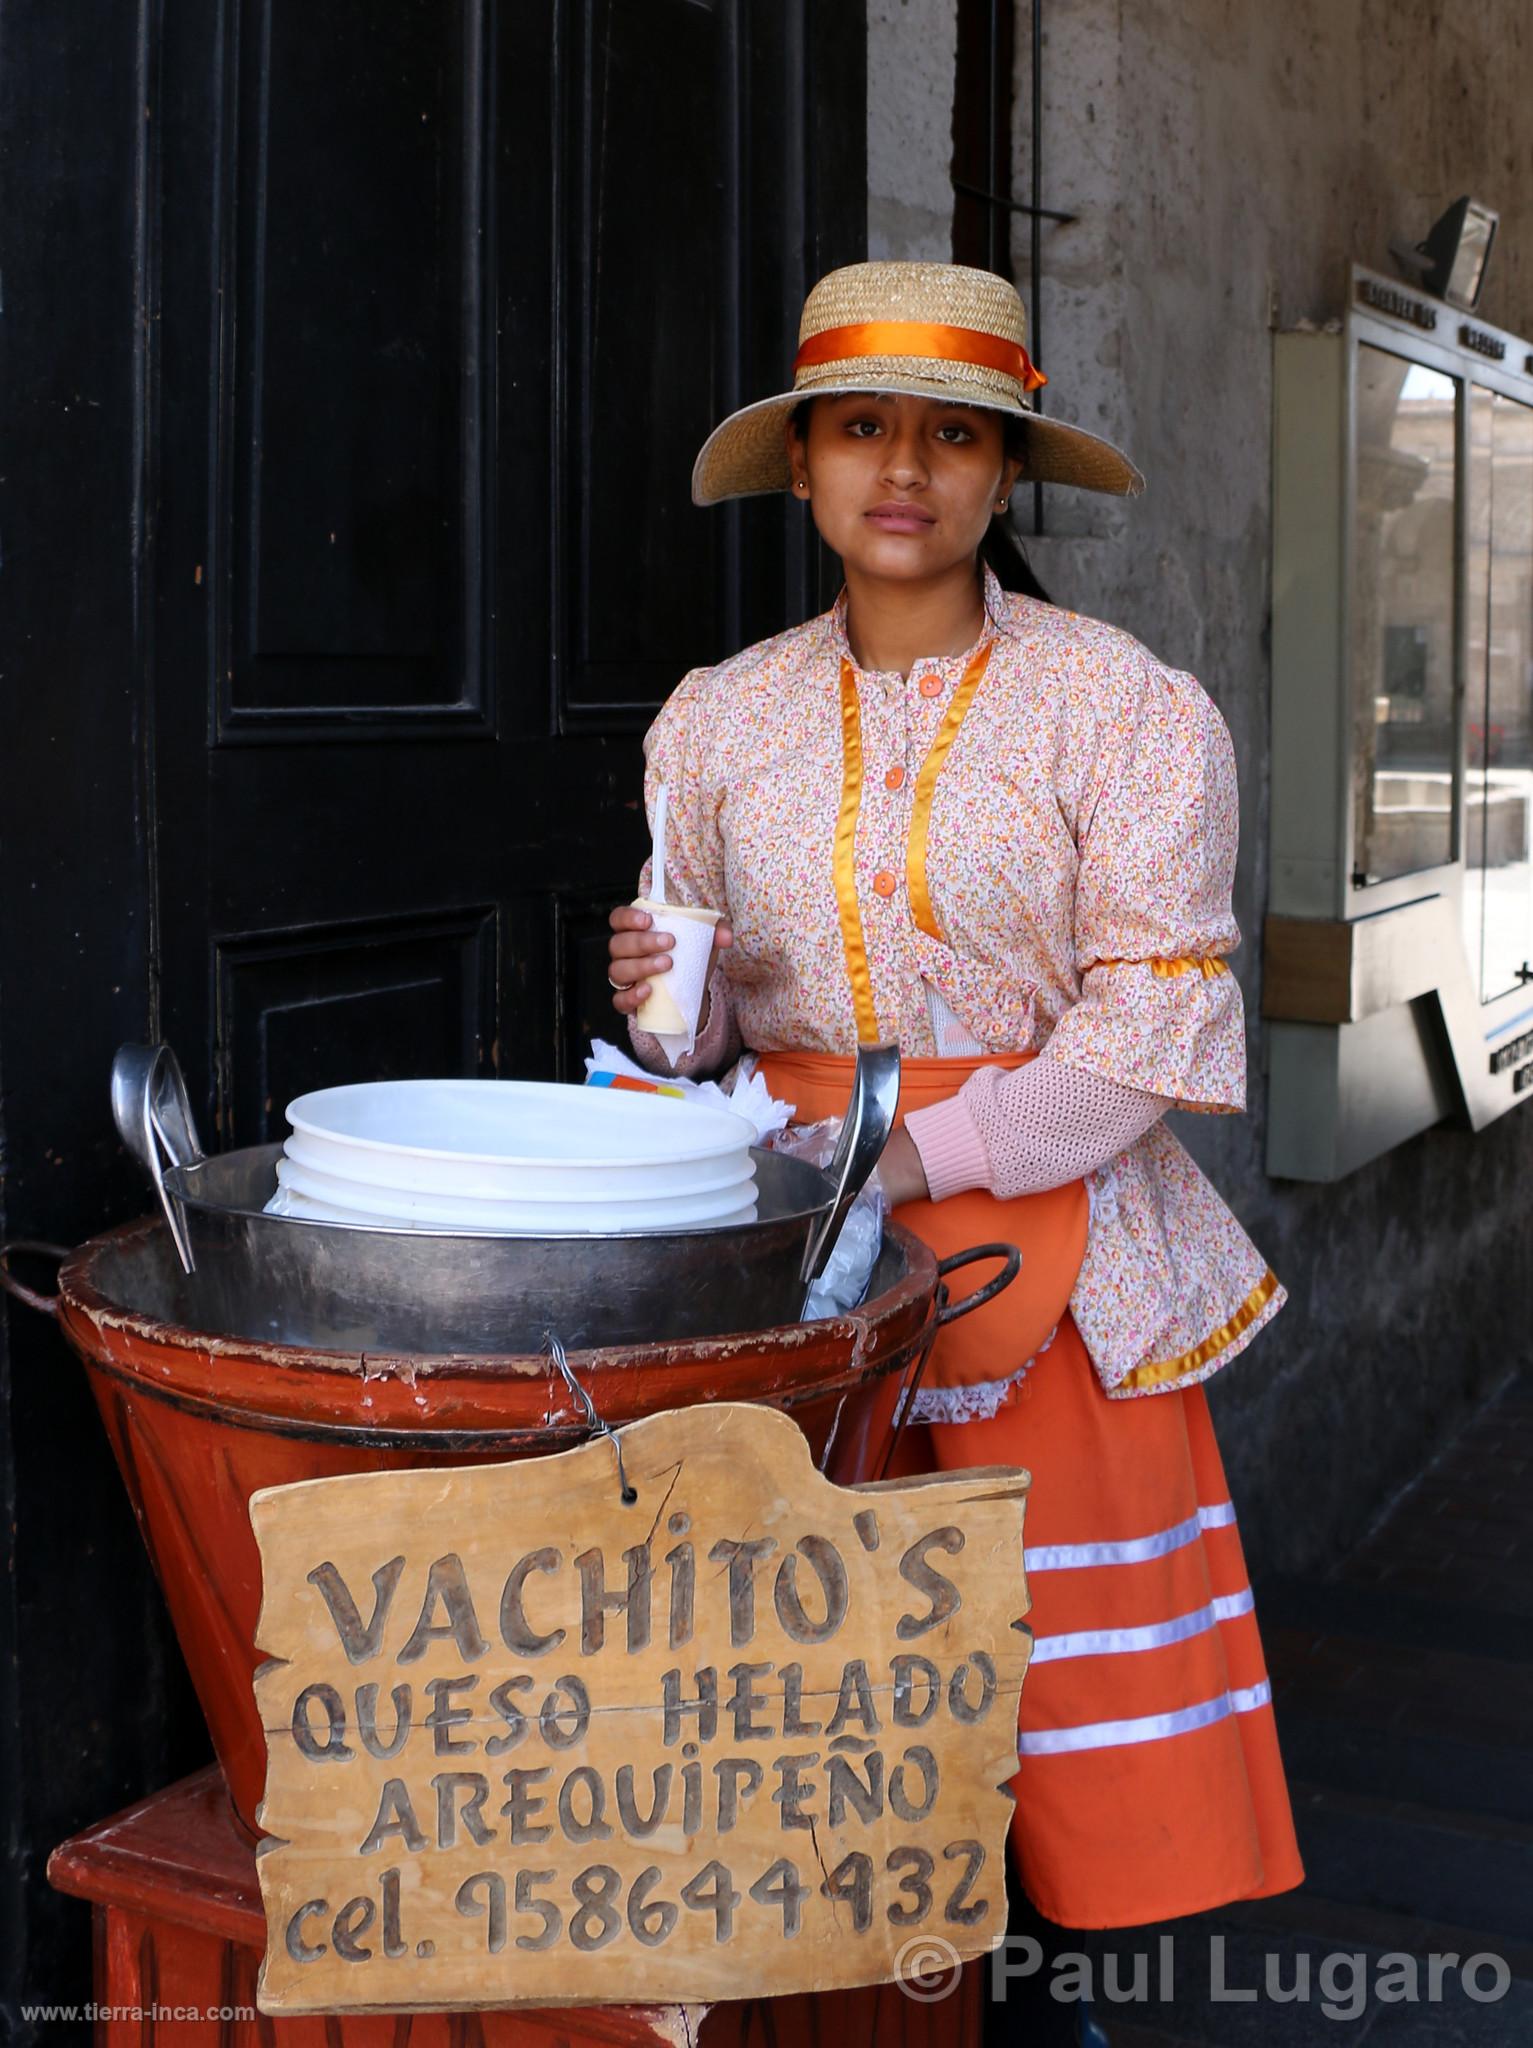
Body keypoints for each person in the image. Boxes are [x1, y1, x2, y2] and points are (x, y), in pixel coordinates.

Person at [607, 261, 1303, 2036]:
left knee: (1022, 1687)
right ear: (804, 469)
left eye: (951, 434)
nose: (899, 466)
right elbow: (695, 1036)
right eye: (859, 428)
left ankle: (1036, 1997)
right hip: (786, 1237)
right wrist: (666, 1017)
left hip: (1045, 1241)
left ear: (1007, 476)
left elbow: (1149, 1019)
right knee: (815, 1654)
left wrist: (916, 1158)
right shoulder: (715, 716)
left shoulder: (1121, 707)